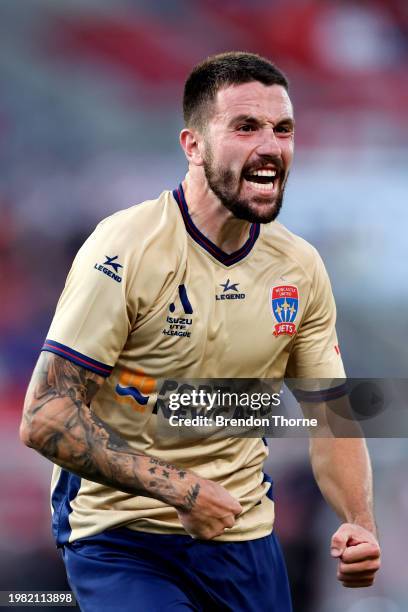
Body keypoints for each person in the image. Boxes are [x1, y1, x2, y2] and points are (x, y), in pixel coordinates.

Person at [20, 52, 380, 611]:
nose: (271, 146)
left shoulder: (299, 267)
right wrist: (180, 488)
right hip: (121, 538)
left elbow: (331, 414)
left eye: (282, 129)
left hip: (241, 540)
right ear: (193, 146)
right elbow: (44, 415)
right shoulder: (124, 248)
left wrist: (359, 524)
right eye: (245, 127)